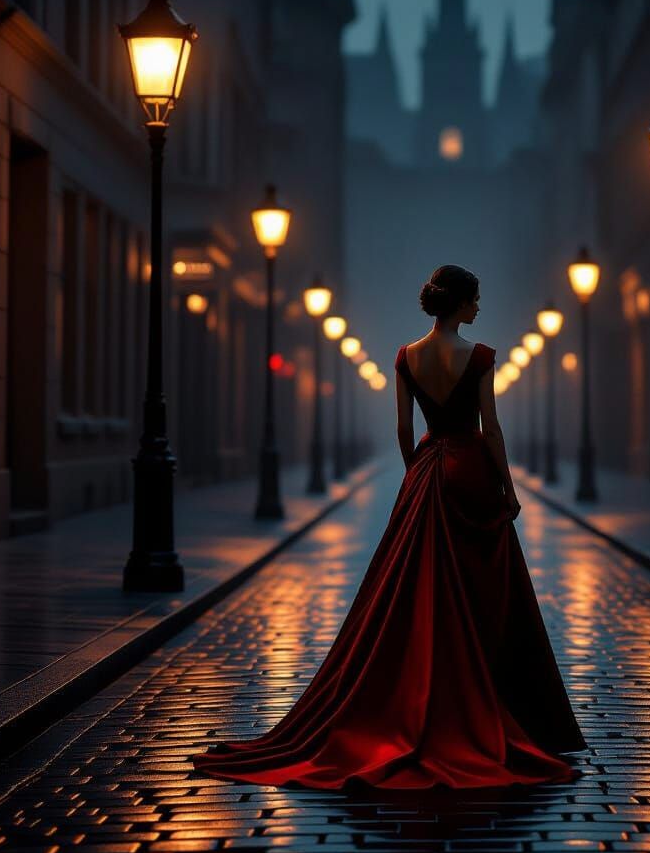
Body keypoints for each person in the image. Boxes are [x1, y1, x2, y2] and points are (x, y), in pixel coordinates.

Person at [191, 265, 587, 789]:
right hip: (470, 470)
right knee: (483, 590)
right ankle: (493, 701)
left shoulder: (406, 357)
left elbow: (404, 428)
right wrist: (507, 489)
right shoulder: (481, 356)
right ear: (460, 303)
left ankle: (424, 693)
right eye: (475, 299)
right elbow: (491, 428)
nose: (479, 308)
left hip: (428, 470)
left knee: (418, 591)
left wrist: (416, 473)